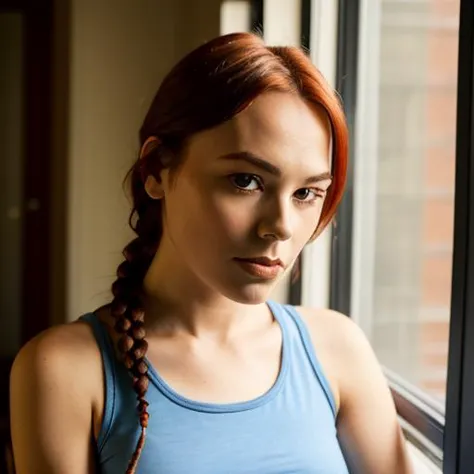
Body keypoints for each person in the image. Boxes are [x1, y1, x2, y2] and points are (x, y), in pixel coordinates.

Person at [9, 32, 413, 474]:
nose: (280, 226)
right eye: (246, 181)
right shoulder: (64, 369)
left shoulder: (337, 347)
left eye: (306, 193)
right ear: (157, 170)